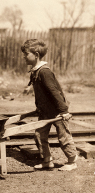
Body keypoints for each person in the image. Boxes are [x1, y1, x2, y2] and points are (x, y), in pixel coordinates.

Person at [20, 39, 78, 171]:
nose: (23, 56)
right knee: (39, 135)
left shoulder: (44, 72)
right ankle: (47, 161)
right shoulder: (36, 71)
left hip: (57, 110)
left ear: (36, 54)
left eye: (26, 53)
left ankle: (72, 161)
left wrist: (64, 111)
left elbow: (55, 92)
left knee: (64, 137)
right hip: (45, 111)